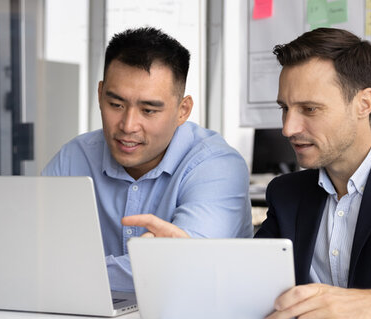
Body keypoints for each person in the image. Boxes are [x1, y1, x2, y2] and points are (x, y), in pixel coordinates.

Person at [125, 27, 371, 319]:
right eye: (284, 108)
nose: (289, 128)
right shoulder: (288, 194)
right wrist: (193, 262)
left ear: (364, 103)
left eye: (309, 109)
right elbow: (251, 289)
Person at [42, 27, 253, 292]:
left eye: (149, 110)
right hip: (88, 314)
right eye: (116, 105)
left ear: (183, 110)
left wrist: (60, 272)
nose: (128, 125)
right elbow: (30, 247)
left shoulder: (217, 166)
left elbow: (186, 265)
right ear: (100, 94)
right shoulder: (75, 157)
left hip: (193, 315)